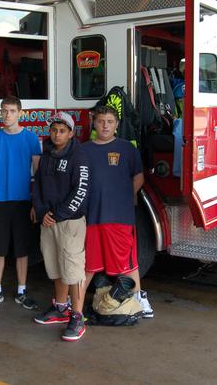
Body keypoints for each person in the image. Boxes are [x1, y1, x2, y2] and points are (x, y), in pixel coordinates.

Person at [82, 105, 154, 319]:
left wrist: (121, 196)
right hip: (92, 217)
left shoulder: (127, 149)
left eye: (110, 122)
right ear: (94, 123)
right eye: (101, 121)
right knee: (89, 264)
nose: (105, 125)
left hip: (120, 217)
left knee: (127, 262)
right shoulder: (83, 149)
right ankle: (72, 303)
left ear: (117, 125)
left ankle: (139, 298)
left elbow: (138, 178)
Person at [32, 112, 91, 341]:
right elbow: (37, 184)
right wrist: (41, 212)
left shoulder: (79, 156)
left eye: (62, 131)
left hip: (70, 222)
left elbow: (81, 191)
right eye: (54, 130)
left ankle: (77, 317)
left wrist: (57, 214)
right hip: (48, 220)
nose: (57, 134)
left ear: (71, 133)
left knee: (73, 270)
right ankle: (60, 308)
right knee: (56, 266)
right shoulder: (47, 154)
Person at [0, 95, 42, 310]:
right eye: (4, 111)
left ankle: (21, 291)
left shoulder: (31, 139)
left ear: (20, 113)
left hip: (23, 202)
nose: (7, 115)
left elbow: (38, 174)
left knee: (22, 249)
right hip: (0, 201)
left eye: (11, 111)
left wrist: (36, 204)